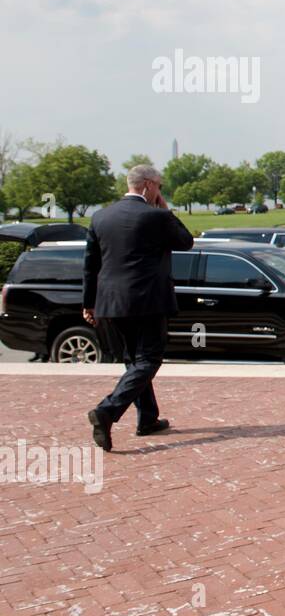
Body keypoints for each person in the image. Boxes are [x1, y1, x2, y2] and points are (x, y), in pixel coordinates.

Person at [84, 164, 195, 451]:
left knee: (135, 362)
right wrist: (166, 210)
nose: (160, 190)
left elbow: (90, 266)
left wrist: (88, 303)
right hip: (147, 301)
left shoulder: (100, 217)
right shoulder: (156, 216)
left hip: (109, 302)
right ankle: (107, 410)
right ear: (148, 185)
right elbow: (186, 241)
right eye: (159, 185)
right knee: (149, 360)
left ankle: (147, 418)